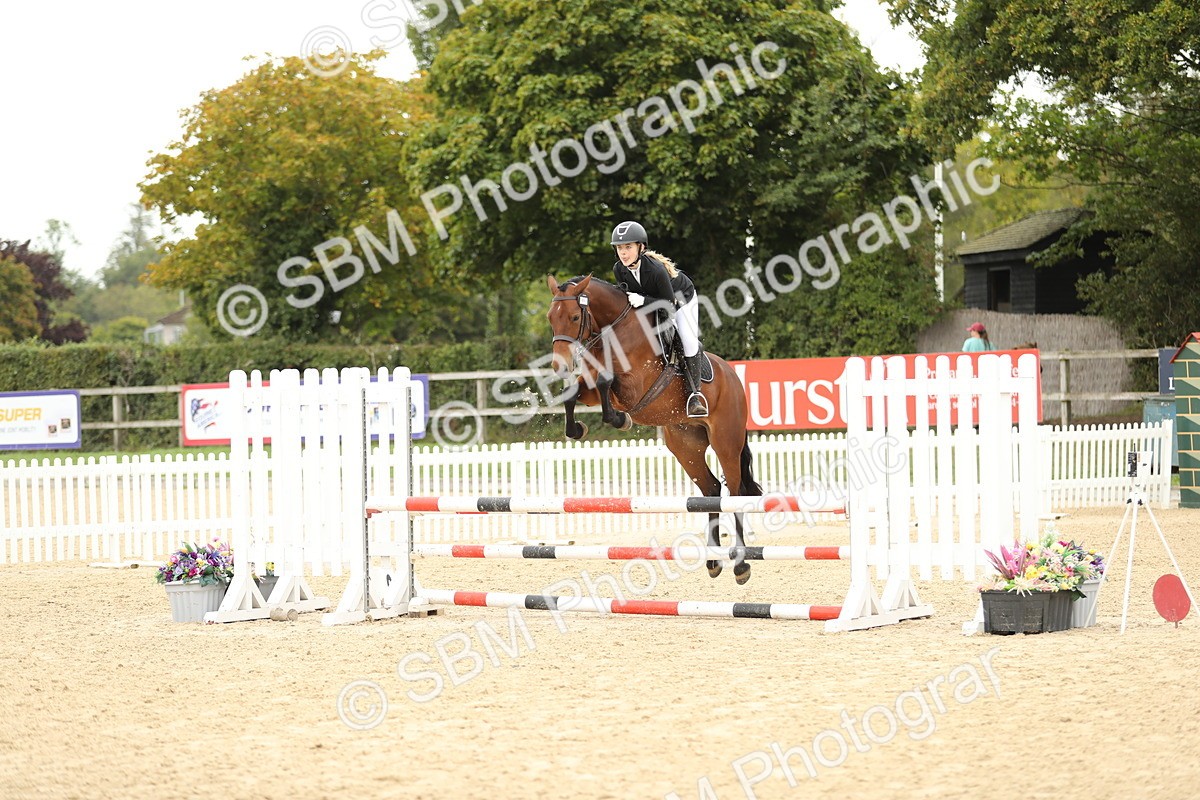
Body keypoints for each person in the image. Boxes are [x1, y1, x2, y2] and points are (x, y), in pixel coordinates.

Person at [609, 220, 708, 417]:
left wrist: (642, 300)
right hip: (653, 300)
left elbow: (668, 306)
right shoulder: (619, 269)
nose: (623, 252)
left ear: (641, 247)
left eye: (628, 247)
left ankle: (694, 397)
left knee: (687, 342)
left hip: (680, 299)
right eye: (620, 248)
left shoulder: (655, 270)